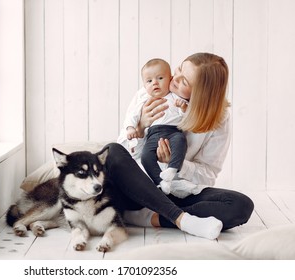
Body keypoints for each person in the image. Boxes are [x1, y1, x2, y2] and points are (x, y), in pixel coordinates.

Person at [105, 52, 254, 240]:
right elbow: (123, 156)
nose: (174, 79)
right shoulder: (149, 92)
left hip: (175, 190)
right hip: (137, 190)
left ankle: (151, 217)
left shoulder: (219, 119)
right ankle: (182, 218)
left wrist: (177, 164)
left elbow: (208, 174)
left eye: (184, 82)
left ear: (200, 95)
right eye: (179, 69)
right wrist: (141, 129)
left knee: (241, 205)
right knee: (111, 151)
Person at [117, 58, 189, 194]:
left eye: (160, 78)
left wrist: (183, 108)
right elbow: (132, 116)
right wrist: (133, 128)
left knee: (180, 142)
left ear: (170, 79)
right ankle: (160, 182)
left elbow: (186, 115)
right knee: (146, 157)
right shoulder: (143, 98)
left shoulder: (175, 96)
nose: (155, 83)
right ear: (144, 85)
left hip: (174, 131)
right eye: (149, 81)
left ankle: (172, 169)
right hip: (153, 134)